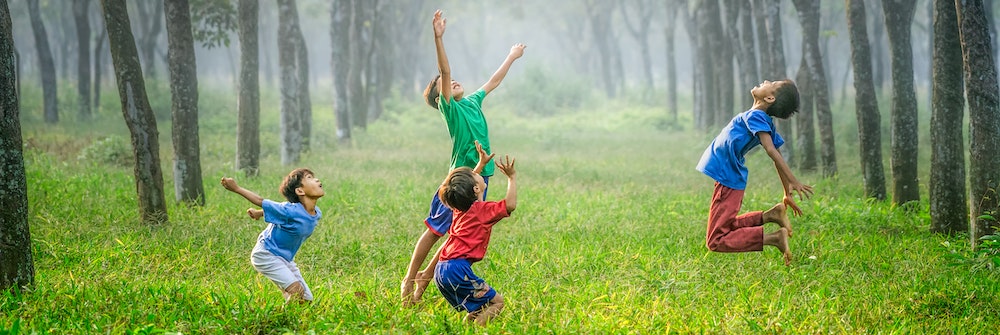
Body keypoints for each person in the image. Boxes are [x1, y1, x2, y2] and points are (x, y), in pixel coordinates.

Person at [401, 9, 526, 305]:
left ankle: (421, 287)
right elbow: (444, 71)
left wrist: (511, 56)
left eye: (455, 80)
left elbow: (493, 81)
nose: (453, 81)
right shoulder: (451, 109)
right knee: (435, 231)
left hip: (480, 178)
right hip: (459, 180)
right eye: (445, 84)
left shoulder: (471, 101)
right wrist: (438, 38)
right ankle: (409, 280)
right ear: (439, 97)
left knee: (456, 236)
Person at [695, 79, 813, 266]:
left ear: (769, 97)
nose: (766, 80)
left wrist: (793, 180)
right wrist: (786, 191)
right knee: (726, 226)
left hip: (728, 178)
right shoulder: (760, 118)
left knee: (715, 240)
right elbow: (777, 154)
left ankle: (774, 239)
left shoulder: (757, 116)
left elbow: (772, 150)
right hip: (728, 177)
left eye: (772, 83)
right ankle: (771, 216)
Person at [434, 153, 517, 326]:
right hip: (457, 270)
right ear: (476, 189)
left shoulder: (459, 208)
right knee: (497, 302)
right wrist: (512, 177)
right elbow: (510, 205)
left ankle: (467, 327)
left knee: (479, 307)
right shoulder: (482, 211)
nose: (477, 173)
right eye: (475, 174)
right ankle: (478, 329)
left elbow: (463, 187)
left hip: (441, 269)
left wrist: (480, 164)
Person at [220, 168, 324, 303]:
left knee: (306, 299)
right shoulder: (290, 210)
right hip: (266, 254)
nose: (316, 180)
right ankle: (280, 320)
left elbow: (279, 212)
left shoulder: (316, 213)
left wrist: (258, 213)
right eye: (309, 178)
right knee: (297, 292)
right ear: (300, 191)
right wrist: (236, 188)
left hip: (285, 259)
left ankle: (290, 311)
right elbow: (260, 200)